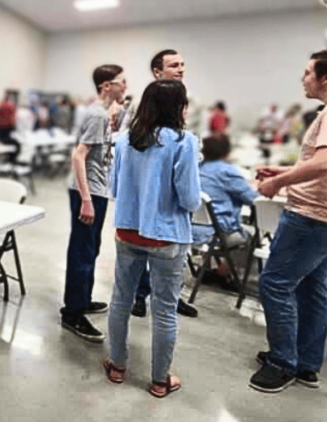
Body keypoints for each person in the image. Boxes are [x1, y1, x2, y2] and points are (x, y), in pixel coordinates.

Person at [249, 49, 327, 393]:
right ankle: (305, 361)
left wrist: (278, 183)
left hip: (315, 216)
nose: (303, 78)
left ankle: (282, 362)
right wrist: (287, 171)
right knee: (311, 286)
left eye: (307, 72)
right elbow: (325, 163)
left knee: (275, 283)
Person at [104, 79, 200, 398]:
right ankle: (160, 380)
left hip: (128, 231)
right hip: (167, 236)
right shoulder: (183, 142)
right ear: (178, 107)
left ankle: (117, 366)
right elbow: (189, 199)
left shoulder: (123, 141)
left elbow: (115, 189)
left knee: (121, 299)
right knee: (164, 309)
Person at [60, 64, 127, 342]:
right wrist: (86, 199)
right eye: (122, 81)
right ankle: (72, 312)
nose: (126, 85)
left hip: (96, 190)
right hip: (87, 192)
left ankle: (82, 299)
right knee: (82, 251)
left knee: (91, 248)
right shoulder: (97, 114)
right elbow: (79, 156)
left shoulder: (101, 114)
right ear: (106, 86)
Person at [132, 49, 200, 319]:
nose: (181, 69)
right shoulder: (146, 102)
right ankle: (140, 293)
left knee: (175, 247)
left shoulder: (187, 100)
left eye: (183, 64)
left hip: (179, 179)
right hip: (149, 185)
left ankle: (172, 293)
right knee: (142, 241)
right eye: (174, 65)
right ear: (157, 72)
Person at [192, 135, 259, 282]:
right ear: (226, 151)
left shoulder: (195, 169)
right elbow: (253, 200)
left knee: (210, 218)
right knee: (253, 238)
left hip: (191, 228)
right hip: (218, 232)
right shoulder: (227, 171)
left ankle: (206, 268)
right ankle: (223, 272)